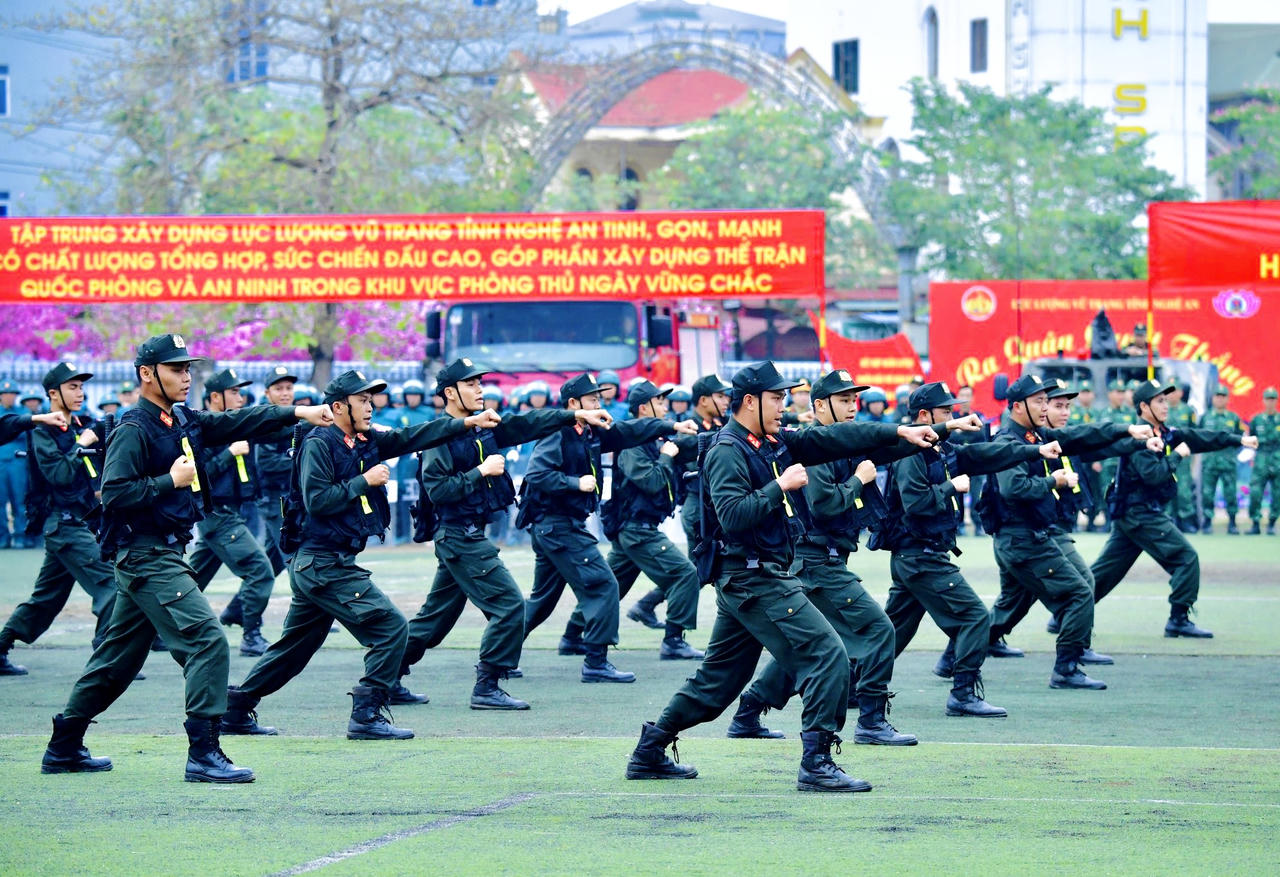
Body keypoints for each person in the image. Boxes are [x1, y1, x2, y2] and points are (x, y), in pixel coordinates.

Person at [624, 361, 939, 792]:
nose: (784, 405)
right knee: (828, 653)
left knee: (719, 680)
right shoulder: (727, 450)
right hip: (752, 577)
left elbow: (832, 440)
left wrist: (898, 435)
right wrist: (781, 487)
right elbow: (733, 516)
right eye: (776, 398)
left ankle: (650, 749)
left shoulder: (769, 440)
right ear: (750, 401)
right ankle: (817, 762)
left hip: (756, 576)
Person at [40, 333, 331, 783]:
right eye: (176, 369)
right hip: (147, 555)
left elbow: (237, 421)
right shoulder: (135, 427)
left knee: (117, 660)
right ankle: (204, 752)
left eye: (187, 368)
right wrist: (168, 481)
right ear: (146, 374)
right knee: (208, 642)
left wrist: (298, 411)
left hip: (162, 552)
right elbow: (113, 494)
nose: (186, 376)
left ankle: (63, 746)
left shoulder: (178, 419)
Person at [220, 371, 500, 741]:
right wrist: (363, 482)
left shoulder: (361, 440)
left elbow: (411, 437)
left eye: (371, 400)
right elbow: (317, 500)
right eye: (362, 401)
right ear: (338, 407)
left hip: (324, 563)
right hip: (322, 563)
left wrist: (467, 422)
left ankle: (235, 709)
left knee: (293, 649)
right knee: (391, 629)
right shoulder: (320, 442)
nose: (370, 407)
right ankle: (367, 713)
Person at [727, 369, 975, 746]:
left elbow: (890, 447)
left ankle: (748, 712)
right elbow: (825, 505)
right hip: (815, 562)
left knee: (810, 645)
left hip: (824, 560)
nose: (851, 407)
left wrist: (943, 428)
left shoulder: (843, 442)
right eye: (844, 400)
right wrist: (859, 480)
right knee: (878, 630)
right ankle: (871, 720)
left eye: (854, 400)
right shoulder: (813, 449)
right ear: (821, 405)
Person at [395, 359, 612, 710]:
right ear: (450, 392)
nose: (480, 388)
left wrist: (574, 416)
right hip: (459, 535)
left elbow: (528, 424)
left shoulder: (483, 426)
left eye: (481, 382)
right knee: (510, 606)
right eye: (471, 383)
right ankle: (487, 686)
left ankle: (387, 676)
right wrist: (480, 472)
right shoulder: (440, 434)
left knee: (433, 621)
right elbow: (438, 491)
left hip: (465, 535)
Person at [872, 381, 1061, 717]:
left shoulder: (938, 446)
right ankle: (963, 693)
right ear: (923, 415)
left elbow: (985, 455)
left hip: (918, 556)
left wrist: (1033, 451)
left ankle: (854, 687)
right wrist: (950, 487)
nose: (952, 416)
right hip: (921, 556)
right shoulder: (911, 452)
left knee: (893, 631)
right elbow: (915, 504)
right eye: (945, 411)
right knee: (974, 618)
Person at [975, 376, 1158, 690]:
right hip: (1021, 537)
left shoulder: (1036, 435)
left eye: (1049, 402)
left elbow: (1083, 435)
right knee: (1077, 593)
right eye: (1040, 402)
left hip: (1033, 535)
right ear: (1017, 406)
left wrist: (1126, 431)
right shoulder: (1009, 441)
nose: (1046, 408)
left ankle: (956, 659)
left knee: (1018, 601)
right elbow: (1013, 487)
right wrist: (1054, 482)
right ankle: (1066, 668)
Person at [521, 373, 694, 683]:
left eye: (600, 399)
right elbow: (535, 474)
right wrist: (576, 483)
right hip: (558, 526)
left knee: (542, 601)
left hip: (560, 526)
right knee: (604, 585)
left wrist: (671, 426)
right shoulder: (558, 433)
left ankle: (497, 658)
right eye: (592, 400)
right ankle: (596, 662)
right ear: (573, 404)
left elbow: (629, 429)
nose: (599, 405)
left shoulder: (589, 433)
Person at [1092, 379, 1258, 639]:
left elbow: (1201, 437)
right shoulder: (1142, 436)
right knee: (1186, 558)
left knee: (1106, 570)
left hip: (1133, 515)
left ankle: (1067, 613)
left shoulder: (1165, 432)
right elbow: (1153, 475)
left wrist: (1239, 439)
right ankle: (1178, 619)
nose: (1166, 404)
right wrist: (1177, 455)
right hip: (1140, 514)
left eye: (1166, 399)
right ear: (1144, 406)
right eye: (1159, 401)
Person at [593, 381, 703, 661]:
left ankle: (573, 636)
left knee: (608, 586)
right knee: (686, 574)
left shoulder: (651, 439)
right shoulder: (632, 444)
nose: (665, 407)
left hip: (636, 528)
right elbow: (652, 482)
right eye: (660, 402)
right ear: (644, 407)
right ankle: (674, 641)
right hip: (635, 528)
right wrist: (667, 458)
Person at [624, 373, 734, 631]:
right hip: (699, 507)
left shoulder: (715, 425)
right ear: (704, 400)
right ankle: (669, 628)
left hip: (710, 508)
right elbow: (690, 469)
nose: (726, 401)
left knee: (695, 569)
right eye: (720, 396)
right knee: (695, 570)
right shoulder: (689, 428)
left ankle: (647, 605)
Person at [185, 368, 281, 658]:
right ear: (216, 397)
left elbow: (275, 429)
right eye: (234, 392)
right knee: (260, 571)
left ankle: (152, 631)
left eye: (241, 392)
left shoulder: (236, 426)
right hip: (218, 514)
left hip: (234, 511)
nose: (240, 398)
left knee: (188, 582)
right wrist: (230, 453)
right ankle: (251, 635)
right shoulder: (199, 429)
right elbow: (196, 477)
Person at [0, 367, 85, 676]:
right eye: (72, 387)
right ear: (53, 393)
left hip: (76, 522)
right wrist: (77, 443)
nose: (80, 393)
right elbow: (60, 475)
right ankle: (112, 659)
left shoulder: (78, 425)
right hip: (63, 524)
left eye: (81, 387)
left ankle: (1, 646)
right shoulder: (42, 431)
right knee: (110, 585)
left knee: (46, 599)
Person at [1198, 385, 1246, 534]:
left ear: (1227, 398)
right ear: (1213, 398)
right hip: (1210, 462)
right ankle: (1207, 522)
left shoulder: (1233, 418)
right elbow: (1199, 437)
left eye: (1223, 396)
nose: (1220, 399)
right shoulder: (1205, 417)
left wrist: (1230, 454)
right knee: (1207, 493)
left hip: (1228, 462)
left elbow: (1239, 439)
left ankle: (1232, 522)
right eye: (1217, 396)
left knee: (1230, 493)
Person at [392, 379, 434, 543]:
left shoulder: (429, 413)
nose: (412, 398)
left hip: (425, 457)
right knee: (404, 498)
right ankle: (402, 535)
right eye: (409, 395)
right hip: (405, 460)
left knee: (427, 496)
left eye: (416, 395)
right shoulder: (400, 413)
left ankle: (428, 531)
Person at [0, 378, 30, 548]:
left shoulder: (23, 412)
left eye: (12, 394)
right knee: (0, 502)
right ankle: (2, 537)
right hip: (0, 464)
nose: (9, 397)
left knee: (19, 501)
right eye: (5, 394)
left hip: (18, 463)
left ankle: (20, 536)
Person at [1247, 387, 1279, 535]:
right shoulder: (1256, 419)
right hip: (1260, 460)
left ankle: (1272, 523)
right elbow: (1251, 439)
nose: (1270, 402)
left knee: (1277, 494)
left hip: (1278, 459)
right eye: (1268, 399)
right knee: (1255, 493)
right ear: (1263, 400)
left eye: (1273, 399)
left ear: (1276, 401)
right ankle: (1255, 523)